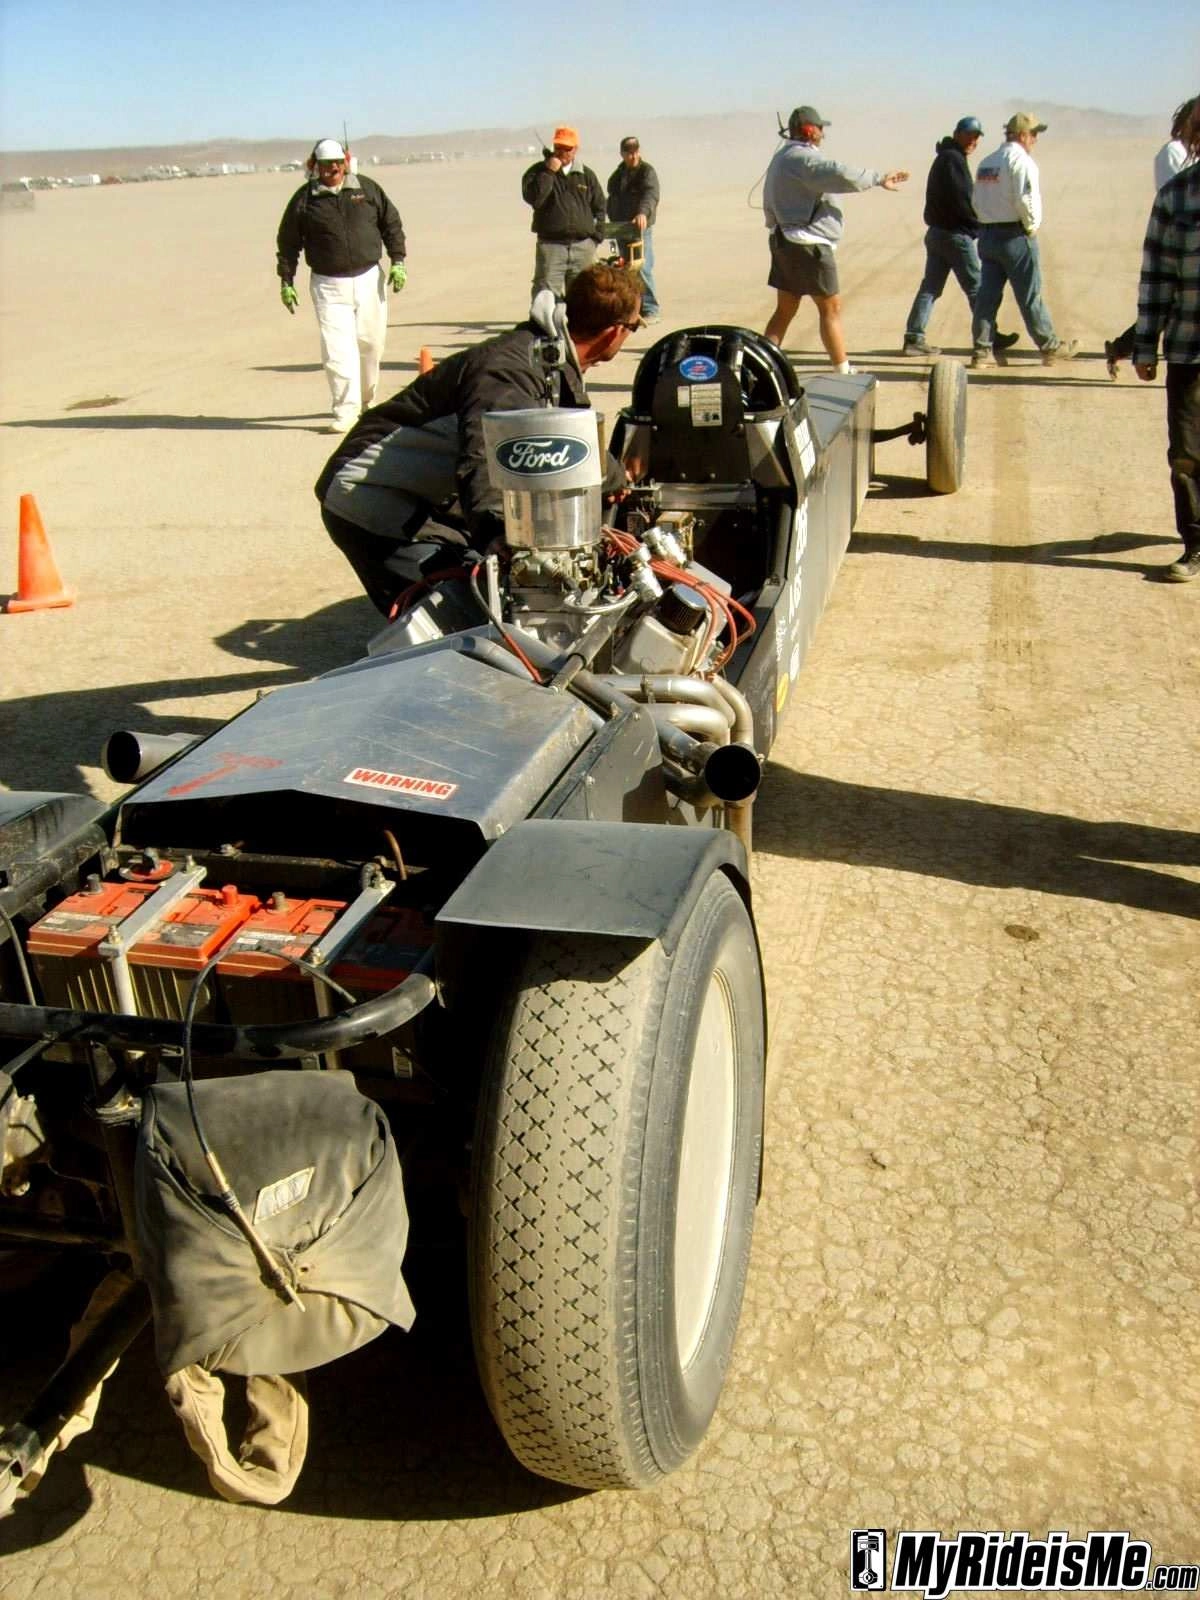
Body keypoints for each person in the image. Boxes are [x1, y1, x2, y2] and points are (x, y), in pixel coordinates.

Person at [315, 264, 642, 613]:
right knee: (474, 612)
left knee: (496, 593)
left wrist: (614, 480)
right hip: (370, 492)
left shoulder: (546, 357)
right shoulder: (510, 370)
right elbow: (485, 454)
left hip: (424, 496)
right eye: (635, 326)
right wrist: (496, 533)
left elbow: (569, 435)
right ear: (615, 332)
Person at [762, 105, 909, 373]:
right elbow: (838, 173)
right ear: (810, 130)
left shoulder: (783, 157)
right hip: (808, 246)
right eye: (820, 129)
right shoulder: (803, 159)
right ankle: (843, 371)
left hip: (785, 242)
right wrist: (878, 178)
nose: (823, 133)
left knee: (785, 310)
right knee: (830, 308)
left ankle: (761, 368)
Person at [276, 139, 408, 433]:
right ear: (315, 166)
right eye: (325, 164)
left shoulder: (367, 189)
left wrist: (398, 260)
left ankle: (367, 401)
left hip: (369, 279)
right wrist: (286, 280)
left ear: (345, 162)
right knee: (337, 350)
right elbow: (288, 243)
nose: (332, 168)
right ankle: (345, 410)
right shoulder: (305, 200)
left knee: (371, 344)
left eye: (337, 162)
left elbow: (391, 224)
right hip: (328, 285)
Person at [1133, 97, 1200, 581]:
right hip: (1189, 345)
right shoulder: (1176, 196)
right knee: (1187, 454)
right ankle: (1195, 544)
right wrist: (1144, 343)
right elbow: (1156, 276)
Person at [901, 116, 1019, 358]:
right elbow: (963, 200)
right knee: (978, 289)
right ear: (957, 134)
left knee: (930, 288)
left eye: (977, 137)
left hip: (938, 234)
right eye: (969, 135)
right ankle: (989, 337)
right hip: (954, 236)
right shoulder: (952, 159)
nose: (973, 141)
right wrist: (979, 225)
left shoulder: (947, 157)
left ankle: (913, 337)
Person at [970, 114, 1076, 370]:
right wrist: (1031, 226)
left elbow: (976, 200)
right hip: (1014, 235)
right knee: (1029, 295)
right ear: (1022, 135)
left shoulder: (987, 162)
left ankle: (981, 351)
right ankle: (1049, 347)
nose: (1035, 140)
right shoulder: (1022, 162)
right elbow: (1025, 199)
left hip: (988, 235)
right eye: (1034, 134)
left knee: (987, 297)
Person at [1106, 97, 1198, 378]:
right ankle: (1122, 348)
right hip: (1180, 240)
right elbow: (1177, 194)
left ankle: (1123, 347)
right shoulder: (1173, 155)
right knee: (1168, 300)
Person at [522, 127, 606, 298]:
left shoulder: (586, 175)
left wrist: (596, 237)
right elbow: (535, 199)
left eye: (567, 148)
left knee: (583, 297)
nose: (562, 152)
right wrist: (549, 172)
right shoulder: (537, 172)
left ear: (575, 149)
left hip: (583, 247)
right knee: (545, 297)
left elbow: (600, 206)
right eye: (558, 147)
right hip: (551, 247)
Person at [606, 136, 661, 321]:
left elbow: (651, 195)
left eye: (635, 151)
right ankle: (633, 307)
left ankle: (651, 309)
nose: (633, 156)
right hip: (622, 228)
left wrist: (642, 213)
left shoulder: (646, 172)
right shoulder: (617, 176)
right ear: (622, 154)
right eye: (629, 153)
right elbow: (611, 199)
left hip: (640, 228)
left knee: (643, 267)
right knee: (626, 269)